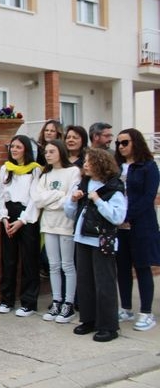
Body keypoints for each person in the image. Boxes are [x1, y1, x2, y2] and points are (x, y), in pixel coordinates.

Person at [64, 148, 126, 342]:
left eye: (89, 162)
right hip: (82, 238)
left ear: (100, 163)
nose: (85, 165)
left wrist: (98, 200)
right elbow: (69, 213)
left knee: (104, 283)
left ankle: (108, 326)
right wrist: (73, 201)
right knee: (85, 282)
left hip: (102, 241)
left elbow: (117, 216)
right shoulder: (84, 183)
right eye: (85, 162)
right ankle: (88, 320)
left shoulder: (113, 187)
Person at [114, 129, 159, 332]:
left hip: (141, 225)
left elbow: (148, 197)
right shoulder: (117, 167)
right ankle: (125, 308)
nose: (121, 147)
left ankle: (146, 313)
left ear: (136, 142)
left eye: (125, 142)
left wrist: (126, 216)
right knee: (122, 269)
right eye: (118, 143)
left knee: (142, 268)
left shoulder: (148, 167)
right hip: (119, 227)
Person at [0, 135, 42, 317]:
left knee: (29, 260)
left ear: (26, 150)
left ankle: (28, 302)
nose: (14, 150)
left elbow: (35, 198)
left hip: (26, 218)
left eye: (18, 147)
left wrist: (22, 220)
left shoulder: (35, 170)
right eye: (12, 147)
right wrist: (4, 218)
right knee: (8, 259)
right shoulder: (6, 169)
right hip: (8, 215)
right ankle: (7, 300)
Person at [32, 140, 81, 323]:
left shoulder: (73, 171)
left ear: (60, 151)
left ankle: (68, 304)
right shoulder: (45, 175)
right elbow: (38, 200)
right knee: (53, 265)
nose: (48, 155)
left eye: (52, 151)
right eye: (46, 152)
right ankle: (56, 301)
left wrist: (53, 200)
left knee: (67, 265)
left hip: (66, 223)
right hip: (48, 223)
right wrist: (59, 195)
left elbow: (70, 200)